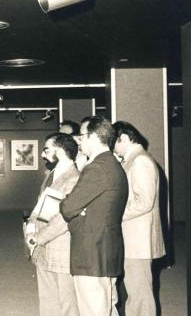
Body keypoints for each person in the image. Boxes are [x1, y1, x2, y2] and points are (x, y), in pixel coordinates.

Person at [59, 116, 128, 316]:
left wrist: (69, 201)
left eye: (81, 136)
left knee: (93, 308)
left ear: (94, 137)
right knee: (107, 305)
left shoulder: (96, 168)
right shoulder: (113, 164)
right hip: (106, 248)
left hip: (92, 251)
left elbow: (67, 208)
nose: (78, 141)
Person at [112, 121, 166, 315]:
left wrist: (114, 214)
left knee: (140, 293)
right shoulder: (133, 159)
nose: (113, 149)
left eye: (114, 143)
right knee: (136, 291)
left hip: (138, 239)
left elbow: (144, 202)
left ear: (125, 138)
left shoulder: (140, 160)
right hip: (134, 237)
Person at [25, 133, 80, 316]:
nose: (42, 154)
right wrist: (31, 226)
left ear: (61, 150)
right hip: (42, 244)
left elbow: (65, 218)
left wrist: (38, 238)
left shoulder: (74, 178)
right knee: (48, 298)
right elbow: (40, 205)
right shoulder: (53, 174)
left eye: (47, 149)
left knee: (67, 301)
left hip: (61, 247)